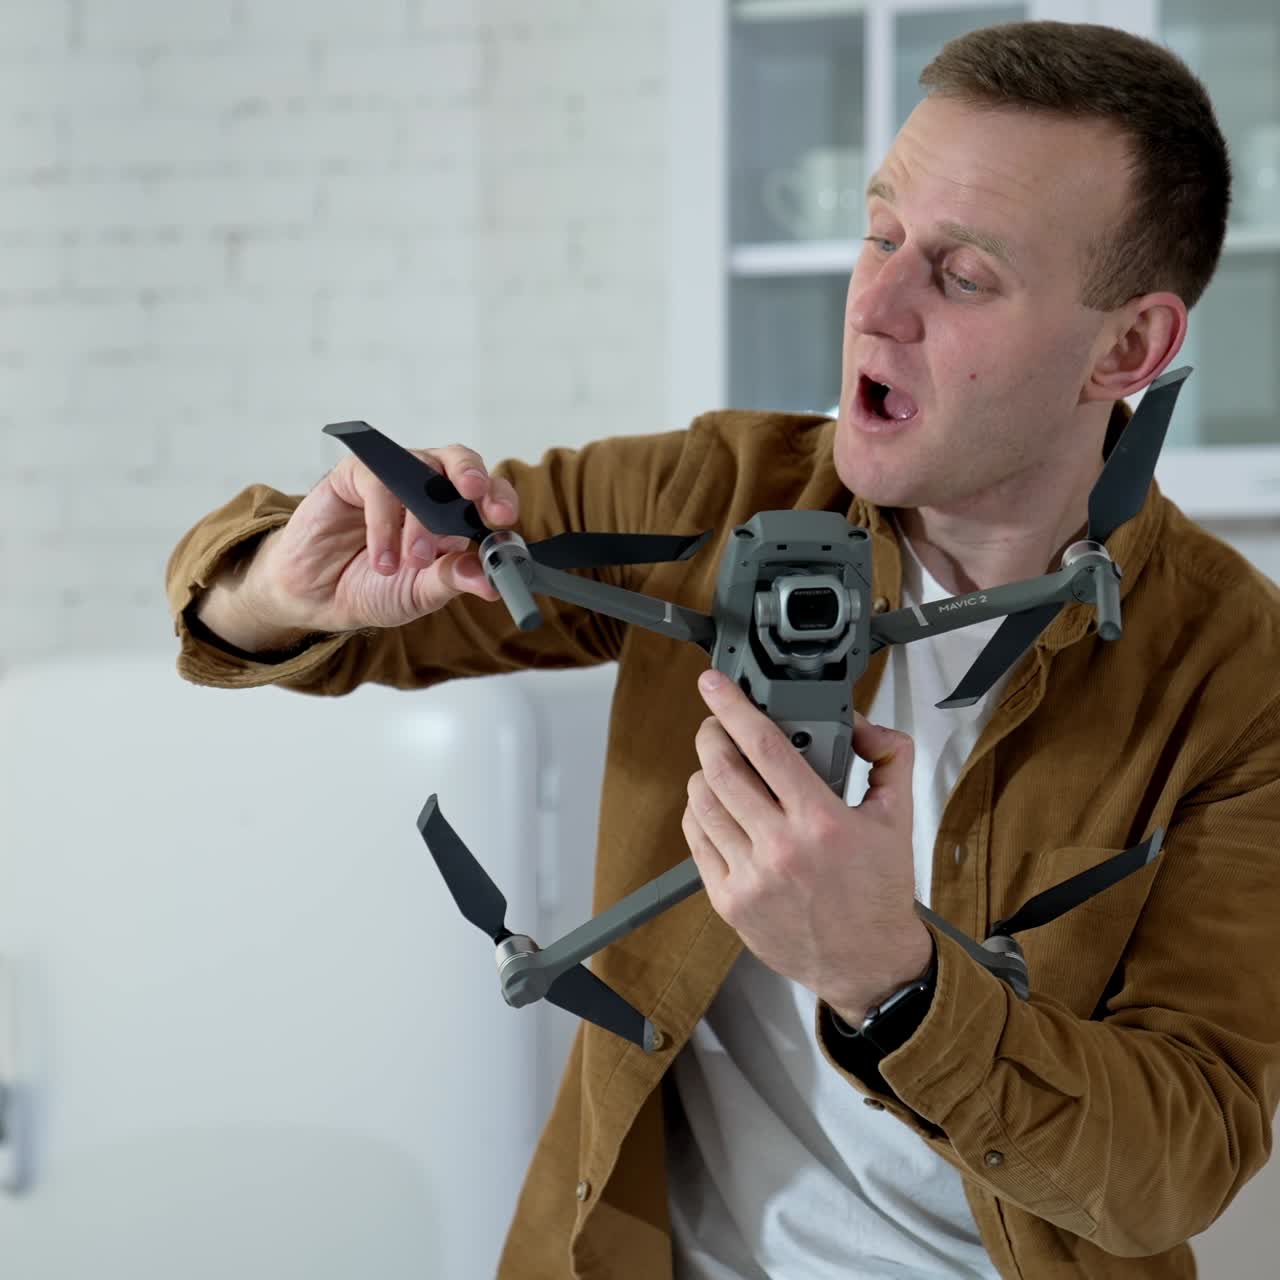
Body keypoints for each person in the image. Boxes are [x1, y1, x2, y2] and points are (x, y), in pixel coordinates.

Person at [166, 20, 1280, 1280]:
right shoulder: (721, 495)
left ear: (1127, 348)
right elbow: (293, 617)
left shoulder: (1236, 676)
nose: (876, 301)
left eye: (962, 273)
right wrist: (286, 583)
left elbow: (1178, 1159)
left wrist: (887, 977)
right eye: (878, 234)